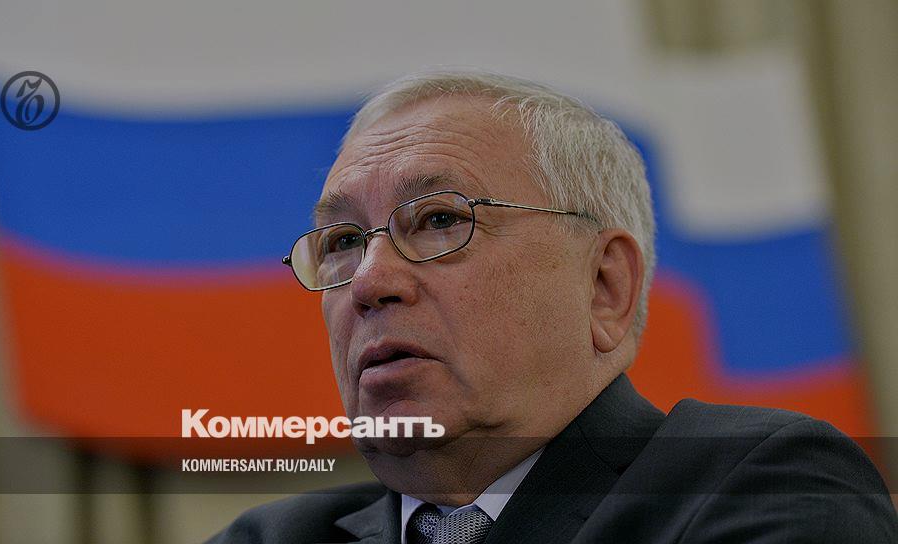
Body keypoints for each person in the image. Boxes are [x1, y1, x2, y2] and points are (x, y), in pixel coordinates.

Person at [207, 70, 896, 543]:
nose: (368, 282)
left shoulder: (759, 485)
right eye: (343, 242)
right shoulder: (267, 538)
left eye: (441, 220)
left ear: (604, 286)